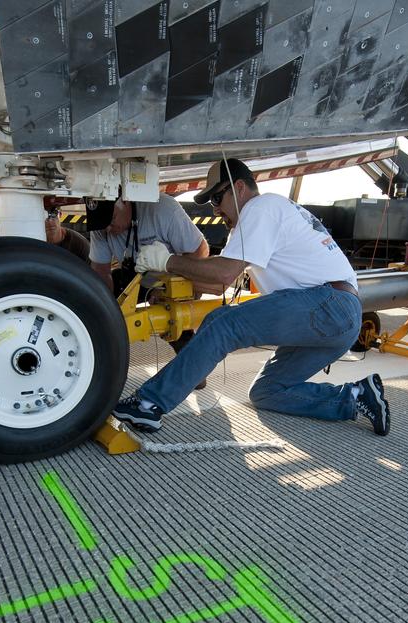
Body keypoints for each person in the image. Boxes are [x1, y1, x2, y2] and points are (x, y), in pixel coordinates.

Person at [111, 157, 389, 436]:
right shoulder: (264, 215)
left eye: (218, 198)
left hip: (328, 306)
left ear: (240, 187)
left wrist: (167, 261)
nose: (216, 209)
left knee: (224, 323)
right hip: (338, 319)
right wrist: (162, 289)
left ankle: (148, 404)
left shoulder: (261, 207)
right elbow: (220, 284)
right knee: (267, 392)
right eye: (211, 203)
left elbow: (222, 274)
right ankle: (356, 396)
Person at [47, 193, 209, 295]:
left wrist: (171, 290)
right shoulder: (101, 228)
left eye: (112, 219)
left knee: (179, 328)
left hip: (173, 279)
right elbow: (101, 272)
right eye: (103, 224)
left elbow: (200, 251)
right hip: (136, 279)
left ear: (125, 202)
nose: (108, 228)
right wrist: (104, 306)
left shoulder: (162, 209)